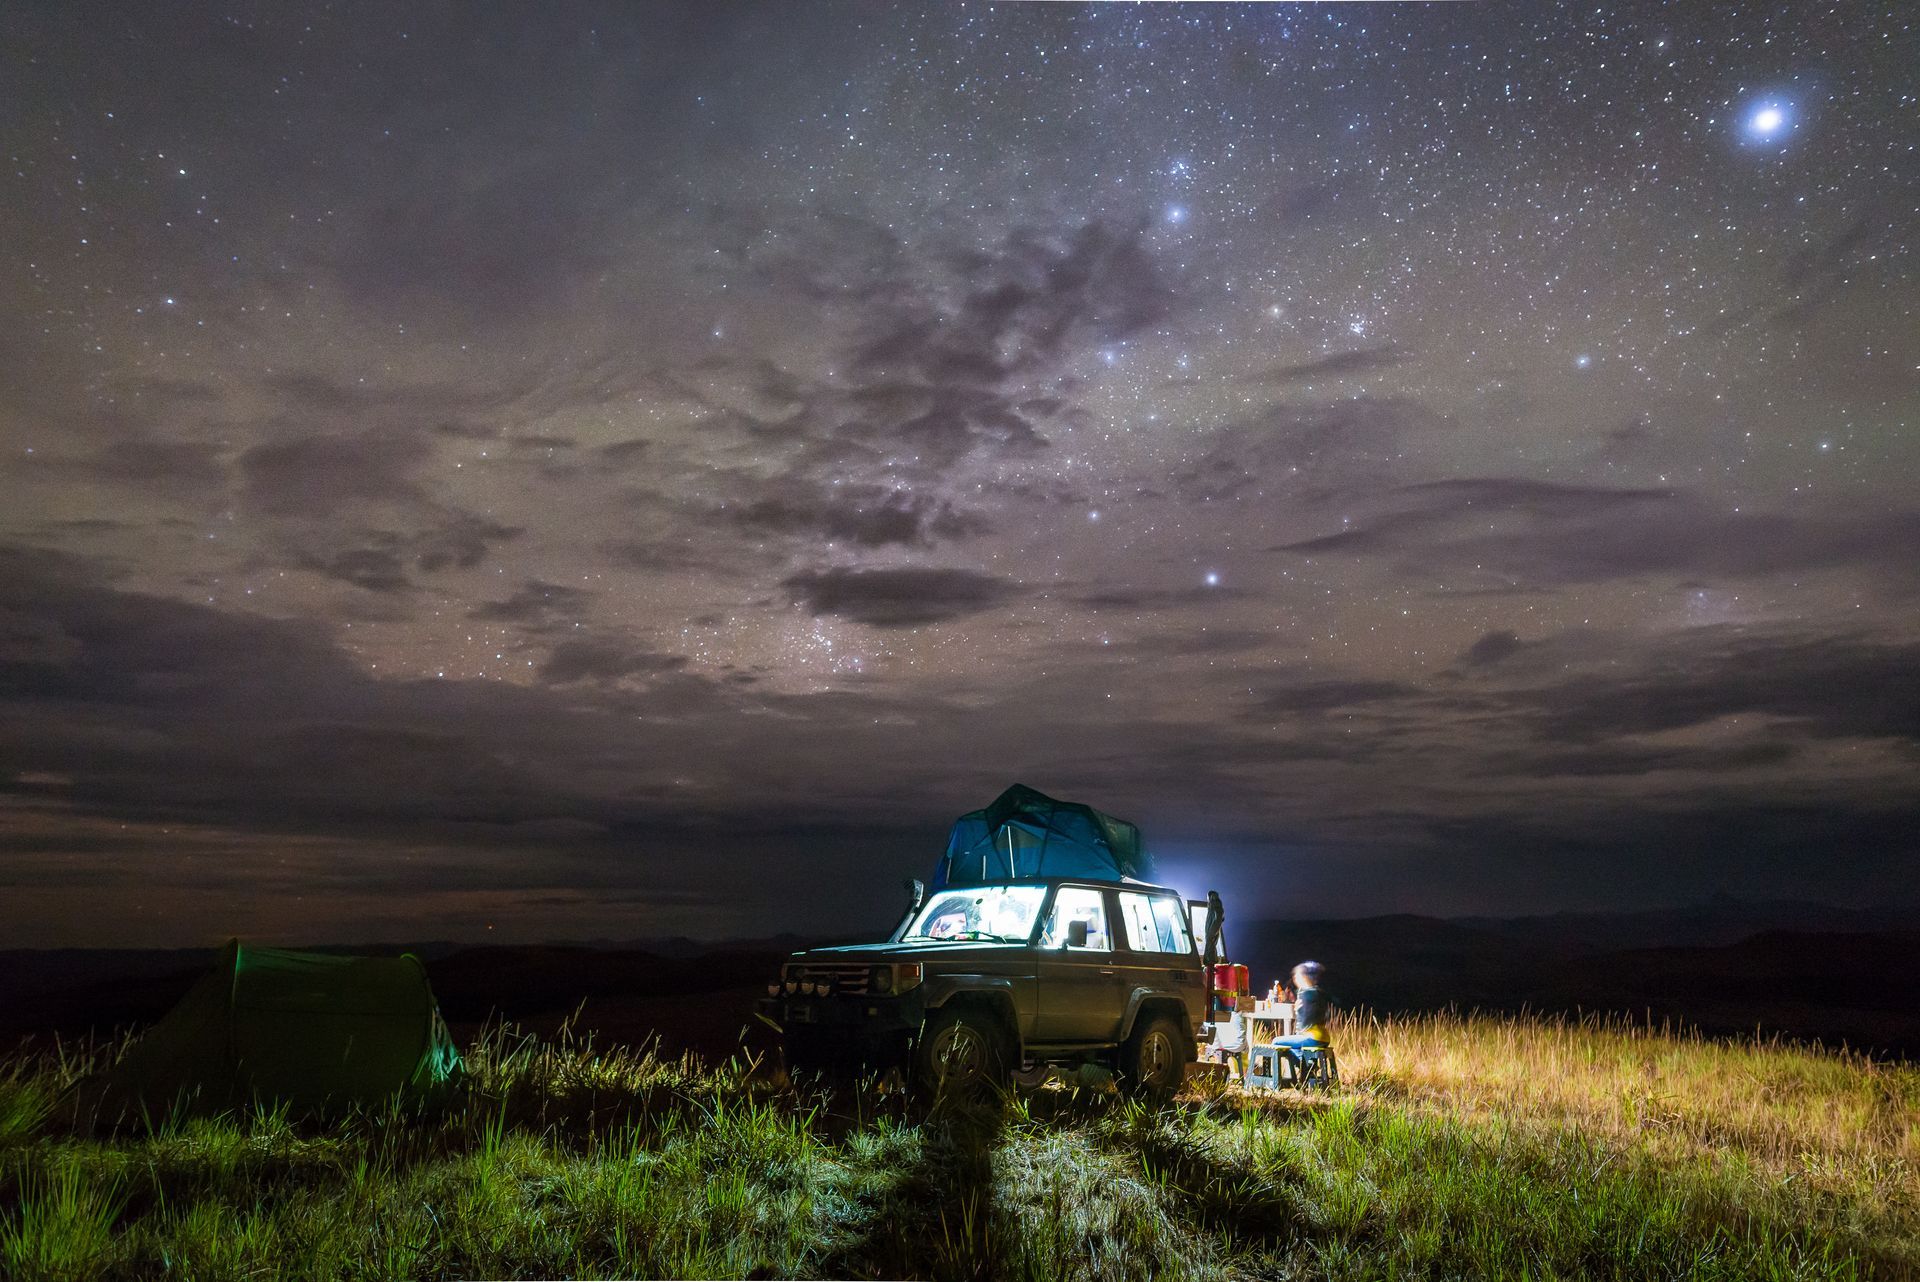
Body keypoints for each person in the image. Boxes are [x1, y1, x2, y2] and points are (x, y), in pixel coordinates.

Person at [1271, 961, 1331, 1080]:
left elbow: (1305, 1019)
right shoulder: (1318, 992)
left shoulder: (1307, 993)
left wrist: (1299, 1008)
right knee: (1293, 1046)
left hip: (1312, 1037)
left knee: (1276, 1041)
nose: (1294, 979)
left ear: (1304, 977)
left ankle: (1307, 1069)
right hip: (1323, 1037)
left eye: (1296, 976)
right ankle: (1307, 1069)